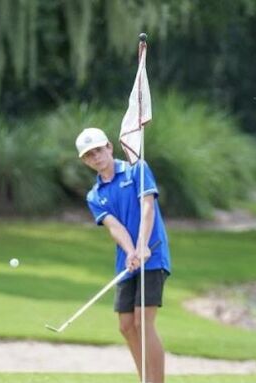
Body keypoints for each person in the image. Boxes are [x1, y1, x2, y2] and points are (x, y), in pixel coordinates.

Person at [75, 127, 171, 383]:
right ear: (84, 161)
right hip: (127, 262)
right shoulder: (95, 195)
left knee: (142, 322)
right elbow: (114, 227)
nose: (95, 157)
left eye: (98, 150)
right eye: (88, 155)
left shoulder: (136, 169)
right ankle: (144, 379)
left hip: (153, 255)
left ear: (109, 146)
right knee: (126, 325)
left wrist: (142, 245)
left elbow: (148, 207)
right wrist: (130, 251)